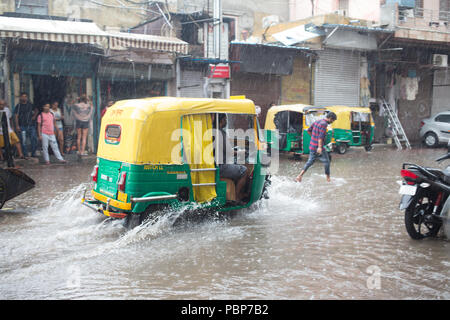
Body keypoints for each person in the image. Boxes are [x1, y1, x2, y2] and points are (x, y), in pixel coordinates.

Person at [215, 113, 250, 202]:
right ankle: (237, 197)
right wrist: (241, 152)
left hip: (215, 164)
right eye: (225, 119)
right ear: (222, 120)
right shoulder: (220, 133)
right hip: (220, 166)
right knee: (244, 170)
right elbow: (229, 152)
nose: (226, 121)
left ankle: (232, 194)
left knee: (235, 166)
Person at [295, 112, 337, 183]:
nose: (332, 122)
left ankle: (299, 176)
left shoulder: (317, 121)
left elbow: (308, 131)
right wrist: (320, 147)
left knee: (310, 161)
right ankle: (328, 179)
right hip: (318, 147)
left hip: (312, 145)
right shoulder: (324, 124)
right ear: (330, 118)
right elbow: (320, 137)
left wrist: (314, 138)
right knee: (326, 162)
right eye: (333, 120)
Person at [13, 92, 38, 158]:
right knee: (23, 141)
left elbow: (36, 110)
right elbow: (16, 116)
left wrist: (34, 116)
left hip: (31, 125)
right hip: (22, 126)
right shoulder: (18, 106)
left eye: (25, 96)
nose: (24, 98)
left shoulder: (30, 105)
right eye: (23, 96)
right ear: (20, 97)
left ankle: (33, 153)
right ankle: (25, 154)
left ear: (27, 97)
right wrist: (17, 126)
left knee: (34, 138)